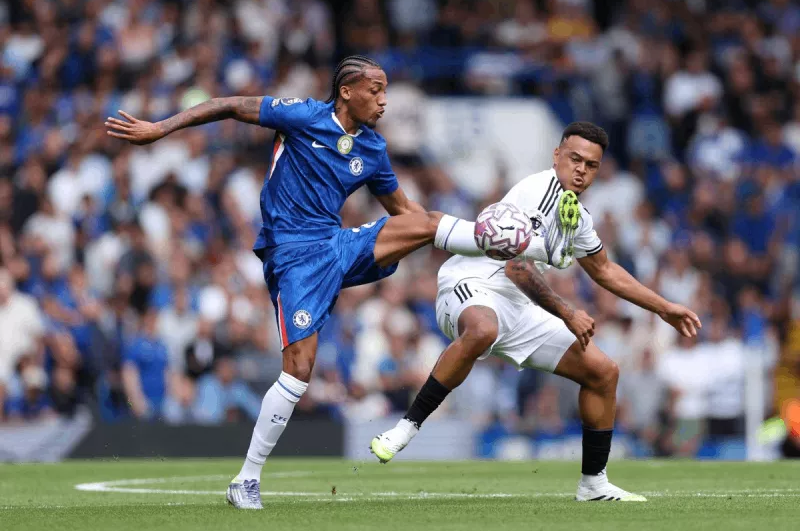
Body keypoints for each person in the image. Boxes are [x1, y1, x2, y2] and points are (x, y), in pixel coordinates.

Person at [105, 55, 577, 509]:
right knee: (299, 368)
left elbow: (407, 215)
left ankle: (526, 246)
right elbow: (230, 104)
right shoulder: (304, 116)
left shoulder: (371, 148)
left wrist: (467, 243)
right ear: (346, 92)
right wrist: (160, 128)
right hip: (292, 253)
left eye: (386, 91)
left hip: (337, 244)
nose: (384, 101)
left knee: (426, 220)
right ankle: (246, 478)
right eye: (376, 91)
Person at [370, 122, 702, 502]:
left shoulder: (575, 214)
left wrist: (664, 308)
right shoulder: (535, 192)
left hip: (519, 303)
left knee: (603, 373)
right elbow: (515, 266)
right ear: (556, 156)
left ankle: (593, 484)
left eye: (591, 165)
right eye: (574, 159)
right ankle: (407, 426)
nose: (581, 169)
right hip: (472, 284)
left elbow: (605, 270)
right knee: (482, 329)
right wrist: (567, 312)